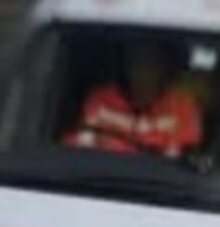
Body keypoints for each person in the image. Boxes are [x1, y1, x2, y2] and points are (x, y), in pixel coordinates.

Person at [64, 42, 203, 159]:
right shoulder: (101, 99)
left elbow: (176, 160)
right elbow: (83, 146)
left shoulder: (182, 106)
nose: (139, 68)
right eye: (134, 60)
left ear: (164, 66)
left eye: (149, 61)